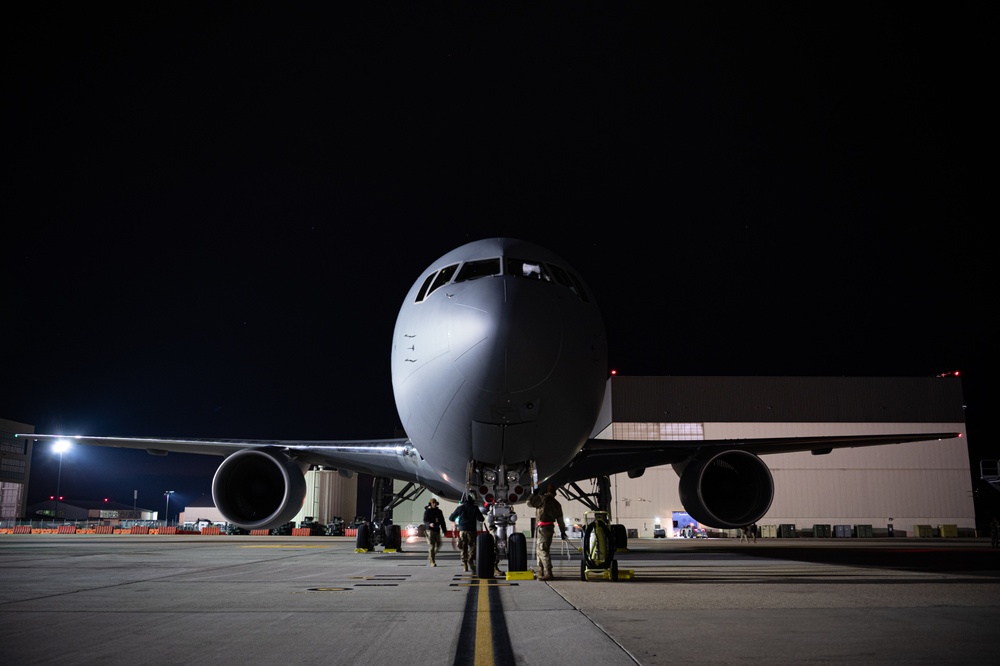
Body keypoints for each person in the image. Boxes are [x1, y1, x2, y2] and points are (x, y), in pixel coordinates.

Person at [527, 484, 567, 581]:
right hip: (549, 527)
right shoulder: (557, 504)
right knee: (541, 549)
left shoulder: (543, 499)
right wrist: (562, 532)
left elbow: (529, 503)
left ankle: (548, 572)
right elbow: (560, 520)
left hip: (543, 527)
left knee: (542, 549)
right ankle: (541, 571)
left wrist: (533, 494)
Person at [449, 494, 484, 571]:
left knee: (463, 547)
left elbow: (451, 518)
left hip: (462, 530)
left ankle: (465, 564)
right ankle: (470, 559)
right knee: (473, 546)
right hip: (471, 530)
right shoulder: (475, 508)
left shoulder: (460, 508)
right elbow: (481, 519)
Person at [422, 498, 447, 566]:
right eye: (433, 503)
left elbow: (442, 521)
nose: (434, 504)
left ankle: (431, 555)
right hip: (429, 530)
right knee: (432, 545)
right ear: (430, 504)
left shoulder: (439, 511)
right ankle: (432, 561)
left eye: (435, 503)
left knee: (438, 545)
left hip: (436, 529)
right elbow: (425, 520)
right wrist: (429, 524)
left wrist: (444, 530)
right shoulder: (427, 512)